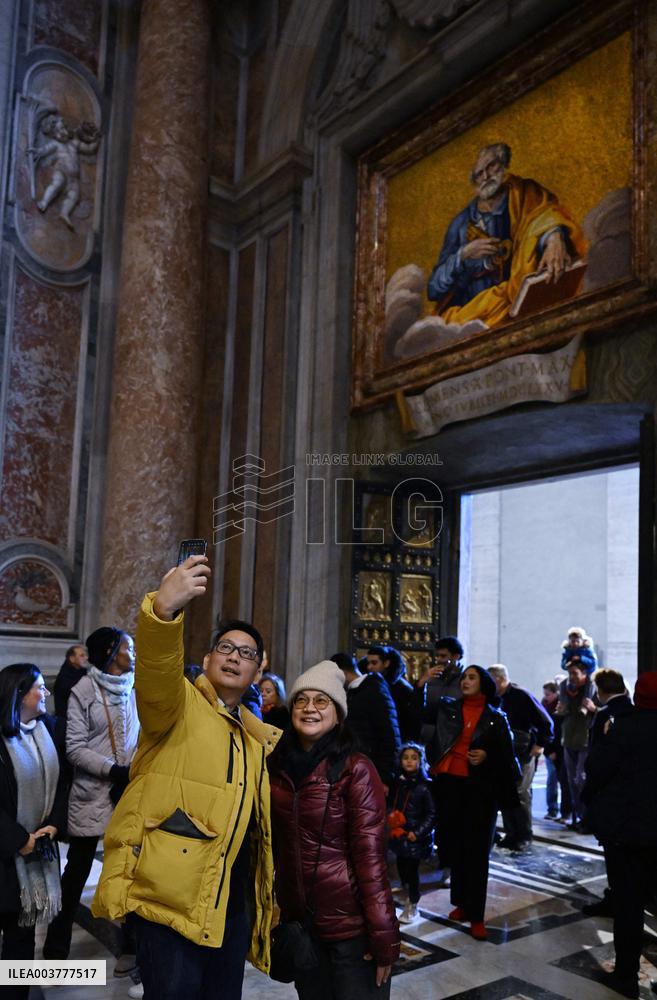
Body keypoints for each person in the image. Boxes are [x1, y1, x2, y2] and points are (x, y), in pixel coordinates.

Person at [91, 555, 281, 1000]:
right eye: (226, 649)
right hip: (169, 897)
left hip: (228, 900)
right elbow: (156, 673)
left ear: (259, 670)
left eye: (247, 653)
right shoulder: (178, 705)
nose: (235, 658)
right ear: (206, 658)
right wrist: (162, 614)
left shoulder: (256, 739)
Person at [267, 660, 400, 999]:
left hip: (351, 931)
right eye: (301, 700)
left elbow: (372, 862)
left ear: (338, 714)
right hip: (303, 928)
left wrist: (384, 934)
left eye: (321, 701)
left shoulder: (355, 770)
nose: (310, 708)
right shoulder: (277, 768)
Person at [44, 627, 140, 971]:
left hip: (129, 791)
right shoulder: (83, 689)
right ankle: (56, 949)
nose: (134, 652)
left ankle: (131, 949)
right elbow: (74, 747)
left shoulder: (134, 687)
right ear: (112, 652)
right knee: (77, 873)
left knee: (130, 871)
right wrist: (113, 771)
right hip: (93, 792)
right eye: (129, 647)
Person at [426, 142, 586, 327]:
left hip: (525, 302)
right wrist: (463, 255)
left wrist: (553, 237)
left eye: (491, 166)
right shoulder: (461, 224)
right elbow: (433, 289)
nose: (486, 176)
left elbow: (544, 215)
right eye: (479, 174)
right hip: (478, 317)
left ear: (503, 164)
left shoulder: (524, 193)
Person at [418, 665, 520, 939]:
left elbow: (510, 761)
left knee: (476, 853)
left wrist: (487, 757)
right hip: (449, 786)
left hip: (479, 790)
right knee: (455, 848)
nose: (465, 681)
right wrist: (422, 685)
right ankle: (461, 903)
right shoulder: (448, 709)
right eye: (464, 677)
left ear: (484, 684)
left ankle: (476, 914)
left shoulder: (496, 718)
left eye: (471, 677)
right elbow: (419, 718)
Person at [584, 672, 657, 1000]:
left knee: (628, 907)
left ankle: (627, 977)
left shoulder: (622, 727)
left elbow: (596, 771)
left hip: (627, 833)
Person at [0, 664, 66, 999]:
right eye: (40, 687)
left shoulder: (49, 728)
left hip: (37, 852)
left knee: (22, 934)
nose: (47, 693)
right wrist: (19, 840)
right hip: (6, 852)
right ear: (18, 693)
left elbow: (62, 782)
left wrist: (53, 822)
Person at [580, 668, 633, 920]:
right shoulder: (634, 712)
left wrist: (588, 795)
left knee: (613, 855)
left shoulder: (605, 715)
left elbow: (596, 760)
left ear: (600, 691)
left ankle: (615, 899)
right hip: (634, 795)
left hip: (610, 796)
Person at [488, 664, 553, 852]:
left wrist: (540, 744)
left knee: (520, 793)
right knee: (505, 792)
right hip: (503, 752)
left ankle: (524, 835)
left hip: (523, 752)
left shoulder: (521, 695)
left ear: (499, 679)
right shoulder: (493, 699)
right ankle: (511, 833)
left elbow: (545, 721)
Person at [331, 652, 400, 790]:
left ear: (341, 673)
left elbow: (389, 734)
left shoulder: (374, 688)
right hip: (355, 768)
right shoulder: (352, 692)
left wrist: (385, 777)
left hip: (372, 771)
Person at [387, 743, 435, 924]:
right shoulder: (398, 783)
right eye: (405, 757)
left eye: (414, 758)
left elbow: (431, 814)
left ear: (421, 762)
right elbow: (393, 803)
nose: (409, 761)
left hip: (415, 838)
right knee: (401, 868)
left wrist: (418, 832)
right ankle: (407, 892)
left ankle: (413, 902)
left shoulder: (424, 786)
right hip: (399, 836)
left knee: (412, 870)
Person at [556, 663, 597, 831]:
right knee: (571, 781)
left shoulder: (592, 690)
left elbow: (603, 710)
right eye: (570, 673)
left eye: (575, 673)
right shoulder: (566, 688)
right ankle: (578, 818)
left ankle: (588, 818)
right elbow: (562, 712)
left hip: (585, 740)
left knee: (581, 779)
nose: (572, 677)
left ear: (584, 673)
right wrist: (560, 711)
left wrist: (594, 709)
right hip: (569, 739)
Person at [367, 645, 416, 742]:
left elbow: (409, 720)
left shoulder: (402, 688)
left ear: (386, 663)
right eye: (368, 663)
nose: (369, 667)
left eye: (374, 663)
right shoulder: (371, 684)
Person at [540, 681, 570, 822]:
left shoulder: (559, 706)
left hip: (558, 748)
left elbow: (556, 731)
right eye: (545, 694)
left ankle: (564, 812)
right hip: (551, 749)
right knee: (553, 779)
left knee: (561, 780)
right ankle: (552, 809)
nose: (546, 697)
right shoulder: (544, 705)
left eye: (548, 694)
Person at [52, 644, 88, 720]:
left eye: (85, 655)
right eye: (82, 656)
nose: (86, 658)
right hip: (67, 721)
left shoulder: (83, 673)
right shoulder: (64, 678)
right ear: (72, 658)